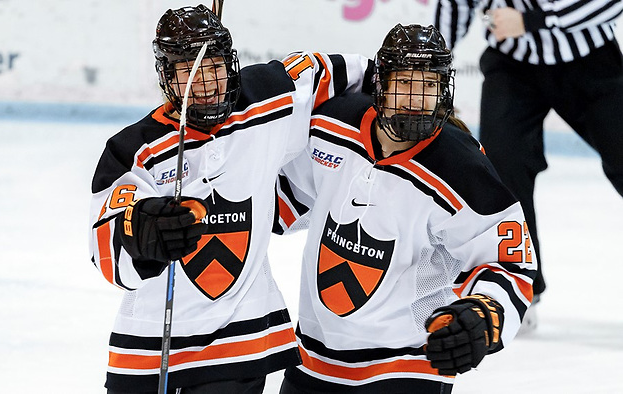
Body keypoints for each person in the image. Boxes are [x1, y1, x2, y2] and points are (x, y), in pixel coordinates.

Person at [88, 5, 373, 393]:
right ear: (167, 76)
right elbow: (106, 246)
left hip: (242, 339)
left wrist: (411, 107)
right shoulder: (136, 148)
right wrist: (143, 230)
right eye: (189, 70)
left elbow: (343, 72)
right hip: (150, 345)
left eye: (214, 66)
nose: (205, 81)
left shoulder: (268, 96)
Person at [273, 24, 536, 393]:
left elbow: (510, 262)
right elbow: (280, 202)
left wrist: (482, 315)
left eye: (429, 85)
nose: (417, 98)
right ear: (380, 84)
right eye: (407, 83)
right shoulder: (333, 127)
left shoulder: (461, 169)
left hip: (409, 366)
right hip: (315, 362)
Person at [435, 0, 623, 329]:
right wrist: (433, 65)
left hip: (590, 62)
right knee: (501, 174)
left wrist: (535, 19)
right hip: (512, 65)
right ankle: (517, 288)